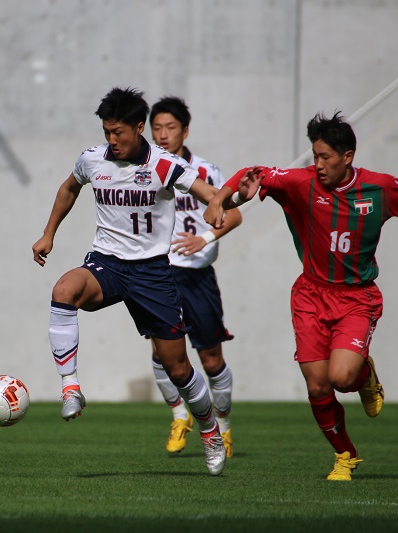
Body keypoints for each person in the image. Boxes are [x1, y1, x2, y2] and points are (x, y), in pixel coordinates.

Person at [204, 111, 398, 480]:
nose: (317, 165)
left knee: (341, 378)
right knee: (318, 385)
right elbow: (250, 174)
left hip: (357, 299)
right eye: (314, 156)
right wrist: (223, 198)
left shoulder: (379, 188)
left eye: (325, 157)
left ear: (347, 156)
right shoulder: (300, 183)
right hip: (310, 295)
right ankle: (345, 455)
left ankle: (363, 375)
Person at [32, 87, 227, 476]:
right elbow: (69, 188)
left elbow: (208, 192)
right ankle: (70, 387)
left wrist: (218, 203)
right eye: (107, 132)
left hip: (153, 273)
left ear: (139, 128)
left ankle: (209, 430)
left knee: (178, 370)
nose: (112, 140)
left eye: (119, 132)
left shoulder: (164, 165)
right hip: (108, 264)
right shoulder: (92, 159)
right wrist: (48, 233)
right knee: (64, 290)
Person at [148, 96, 242, 458]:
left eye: (170, 127)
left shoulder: (206, 171)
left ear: (185, 131)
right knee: (161, 355)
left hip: (198, 276)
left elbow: (233, 216)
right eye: (157, 128)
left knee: (211, 360)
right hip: (158, 274)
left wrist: (203, 238)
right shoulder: (145, 169)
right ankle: (179, 416)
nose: (163, 134)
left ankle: (226, 427)